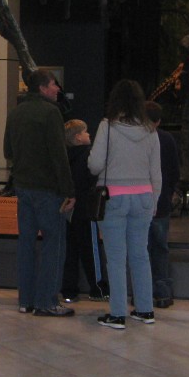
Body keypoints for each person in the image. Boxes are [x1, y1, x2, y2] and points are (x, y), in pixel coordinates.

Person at [88, 79, 161, 330]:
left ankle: (118, 314)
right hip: (143, 197)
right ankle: (145, 309)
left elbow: (95, 164)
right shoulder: (151, 131)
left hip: (115, 197)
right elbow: (156, 173)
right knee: (140, 255)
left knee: (116, 258)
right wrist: (153, 203)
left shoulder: (107, 127)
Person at [3, 68, 75, 317]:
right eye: (54, 84)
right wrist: (69, 190)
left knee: (26, 243)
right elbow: (58, 155)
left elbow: (7, 150)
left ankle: (26, 300)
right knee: (54, 244)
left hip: (24, 188)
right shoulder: (50, 113)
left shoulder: (16, 113)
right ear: (43, 88)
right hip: (48, 190)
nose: (57, 89)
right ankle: (47, 301)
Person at [61, 119, 109, 303]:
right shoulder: (88, 156)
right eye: (86, 132)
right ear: (78, 137)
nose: (89, 135)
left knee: (70, 251)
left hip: (68, 210)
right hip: (85, 208)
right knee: (91, 249)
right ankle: (98, 288)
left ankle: (69, 290)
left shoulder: (65, 157)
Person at [145, 101, 180, 309]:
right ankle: (163, 293)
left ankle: (143, 292)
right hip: (161, 203)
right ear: (158, 121)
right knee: (160, 248)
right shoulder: (167, 139)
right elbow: (174, 171)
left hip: (139, 202)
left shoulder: (136, 140)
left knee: (141, 249)